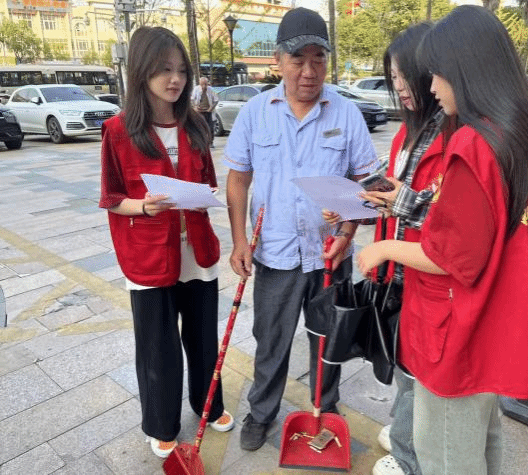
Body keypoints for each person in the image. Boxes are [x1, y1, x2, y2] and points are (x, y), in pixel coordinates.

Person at [357, 6, 528, 475]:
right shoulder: (519, 131)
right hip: (491, 322)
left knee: (445, 454)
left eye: (438, 73)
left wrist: (381, 249)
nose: (430, 86)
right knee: (481, 443)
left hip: (456, 328)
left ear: (466, 70)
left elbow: (451, 256)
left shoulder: (472, 144)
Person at [223, 7, 379, 452]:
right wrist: (239, 241)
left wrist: (347, 233)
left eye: (318, 59)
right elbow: (238, 179)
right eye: (298, 60)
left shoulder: (346, 113)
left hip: (331, 253)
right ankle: (261, 412)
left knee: (328, 338)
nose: (309, 71)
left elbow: (366, 185)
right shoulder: (256, 113)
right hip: (275, 253)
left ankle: (325, 408)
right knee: (270, 340)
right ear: (278, 60)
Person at [99, 26, 234, 459]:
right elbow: (111, 198)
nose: (175, 79)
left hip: (196, 249)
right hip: (149, 254)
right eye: (163, 70)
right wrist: (144, 207)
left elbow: (208, 180)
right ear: (141, 71)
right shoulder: (119, 130)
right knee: (158, 346)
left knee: (203, 336)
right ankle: (161, 423)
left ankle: (209, 405)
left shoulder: (195, 124)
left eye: (180, 70)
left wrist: (203, 195)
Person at [323, 22, 441, 475]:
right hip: (396, 271)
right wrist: (353, 208)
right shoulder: (407, 132)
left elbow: (443, 217)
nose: (400, 87)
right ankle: (405, 431)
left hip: (425, 270)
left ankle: (409, 458)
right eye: (393, 77)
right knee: (400, 358)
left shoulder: (451, 134)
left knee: (416, 371)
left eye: (405, 76)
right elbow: (394, 198)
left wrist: (394, 217)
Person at [191, 76, 219, 148]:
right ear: (200, 84)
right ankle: (200, 142)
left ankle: (210, 142)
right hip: (199, 111)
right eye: (202, 84)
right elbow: (192, 99)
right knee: (200, 128)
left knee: (210, 128)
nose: (204, 86)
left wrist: (211, 108)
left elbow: (216, 100)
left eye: (205, 84)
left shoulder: (211, 89)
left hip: (208, 111)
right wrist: (195, 107)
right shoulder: (196, 89)